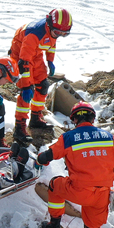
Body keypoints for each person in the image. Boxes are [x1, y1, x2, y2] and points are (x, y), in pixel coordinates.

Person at [10, 9, 73, 141]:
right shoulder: (34, 34)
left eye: (64, 34)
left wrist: (50, 60)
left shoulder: (52, 31)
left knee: (43, 85)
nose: (59, 35)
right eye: (58, 32)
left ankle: (35, 118)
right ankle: (20, 127)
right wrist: (26, 85)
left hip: (36, 53)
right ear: (49, 25)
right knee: (26, 91)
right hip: (21, 55)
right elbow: (24, 62)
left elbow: (51, 44)